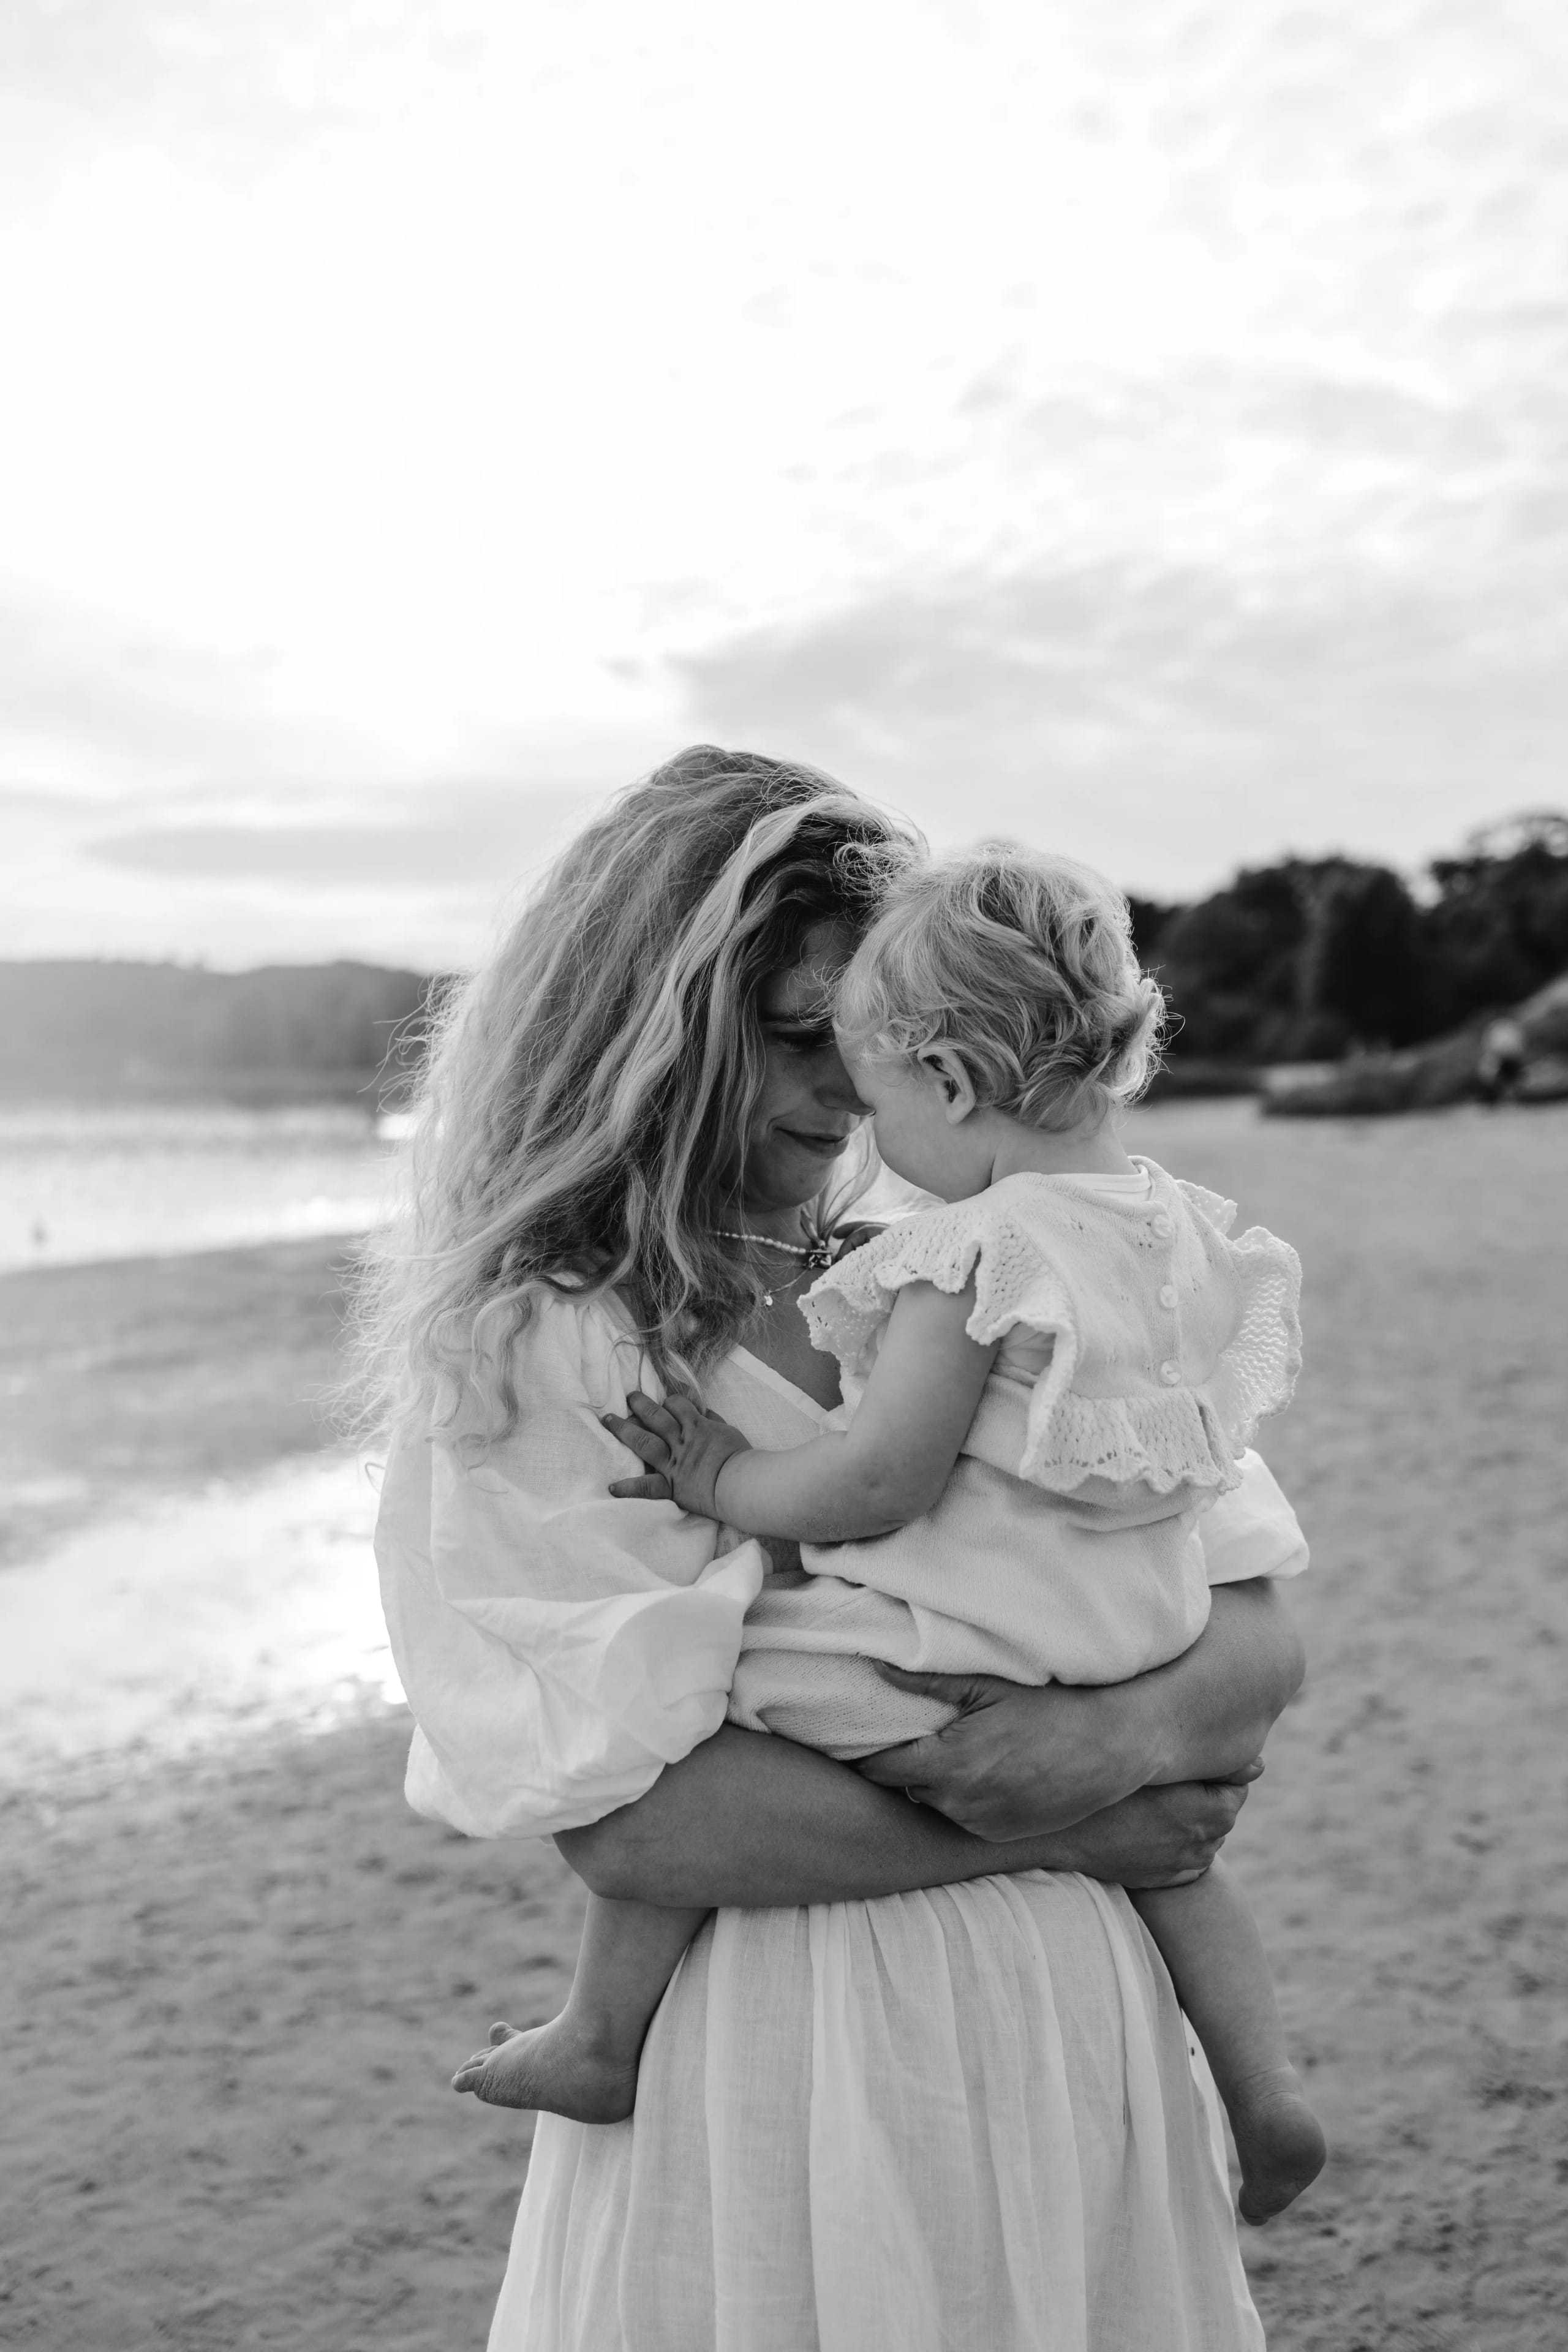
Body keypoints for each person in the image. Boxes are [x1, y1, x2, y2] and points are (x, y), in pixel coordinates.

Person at [371, 747, 1311, 2351]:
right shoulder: (545, 1345)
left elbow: (1258, 1631)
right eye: (795, 1037)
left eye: (870, 1044)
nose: (849, 1093)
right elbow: (638, 1827)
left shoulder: (986, 1274)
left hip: (1078, 2029)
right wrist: (1091, 1822)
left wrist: (1128, 1736)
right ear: (646, 1037)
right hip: (785, 2056)